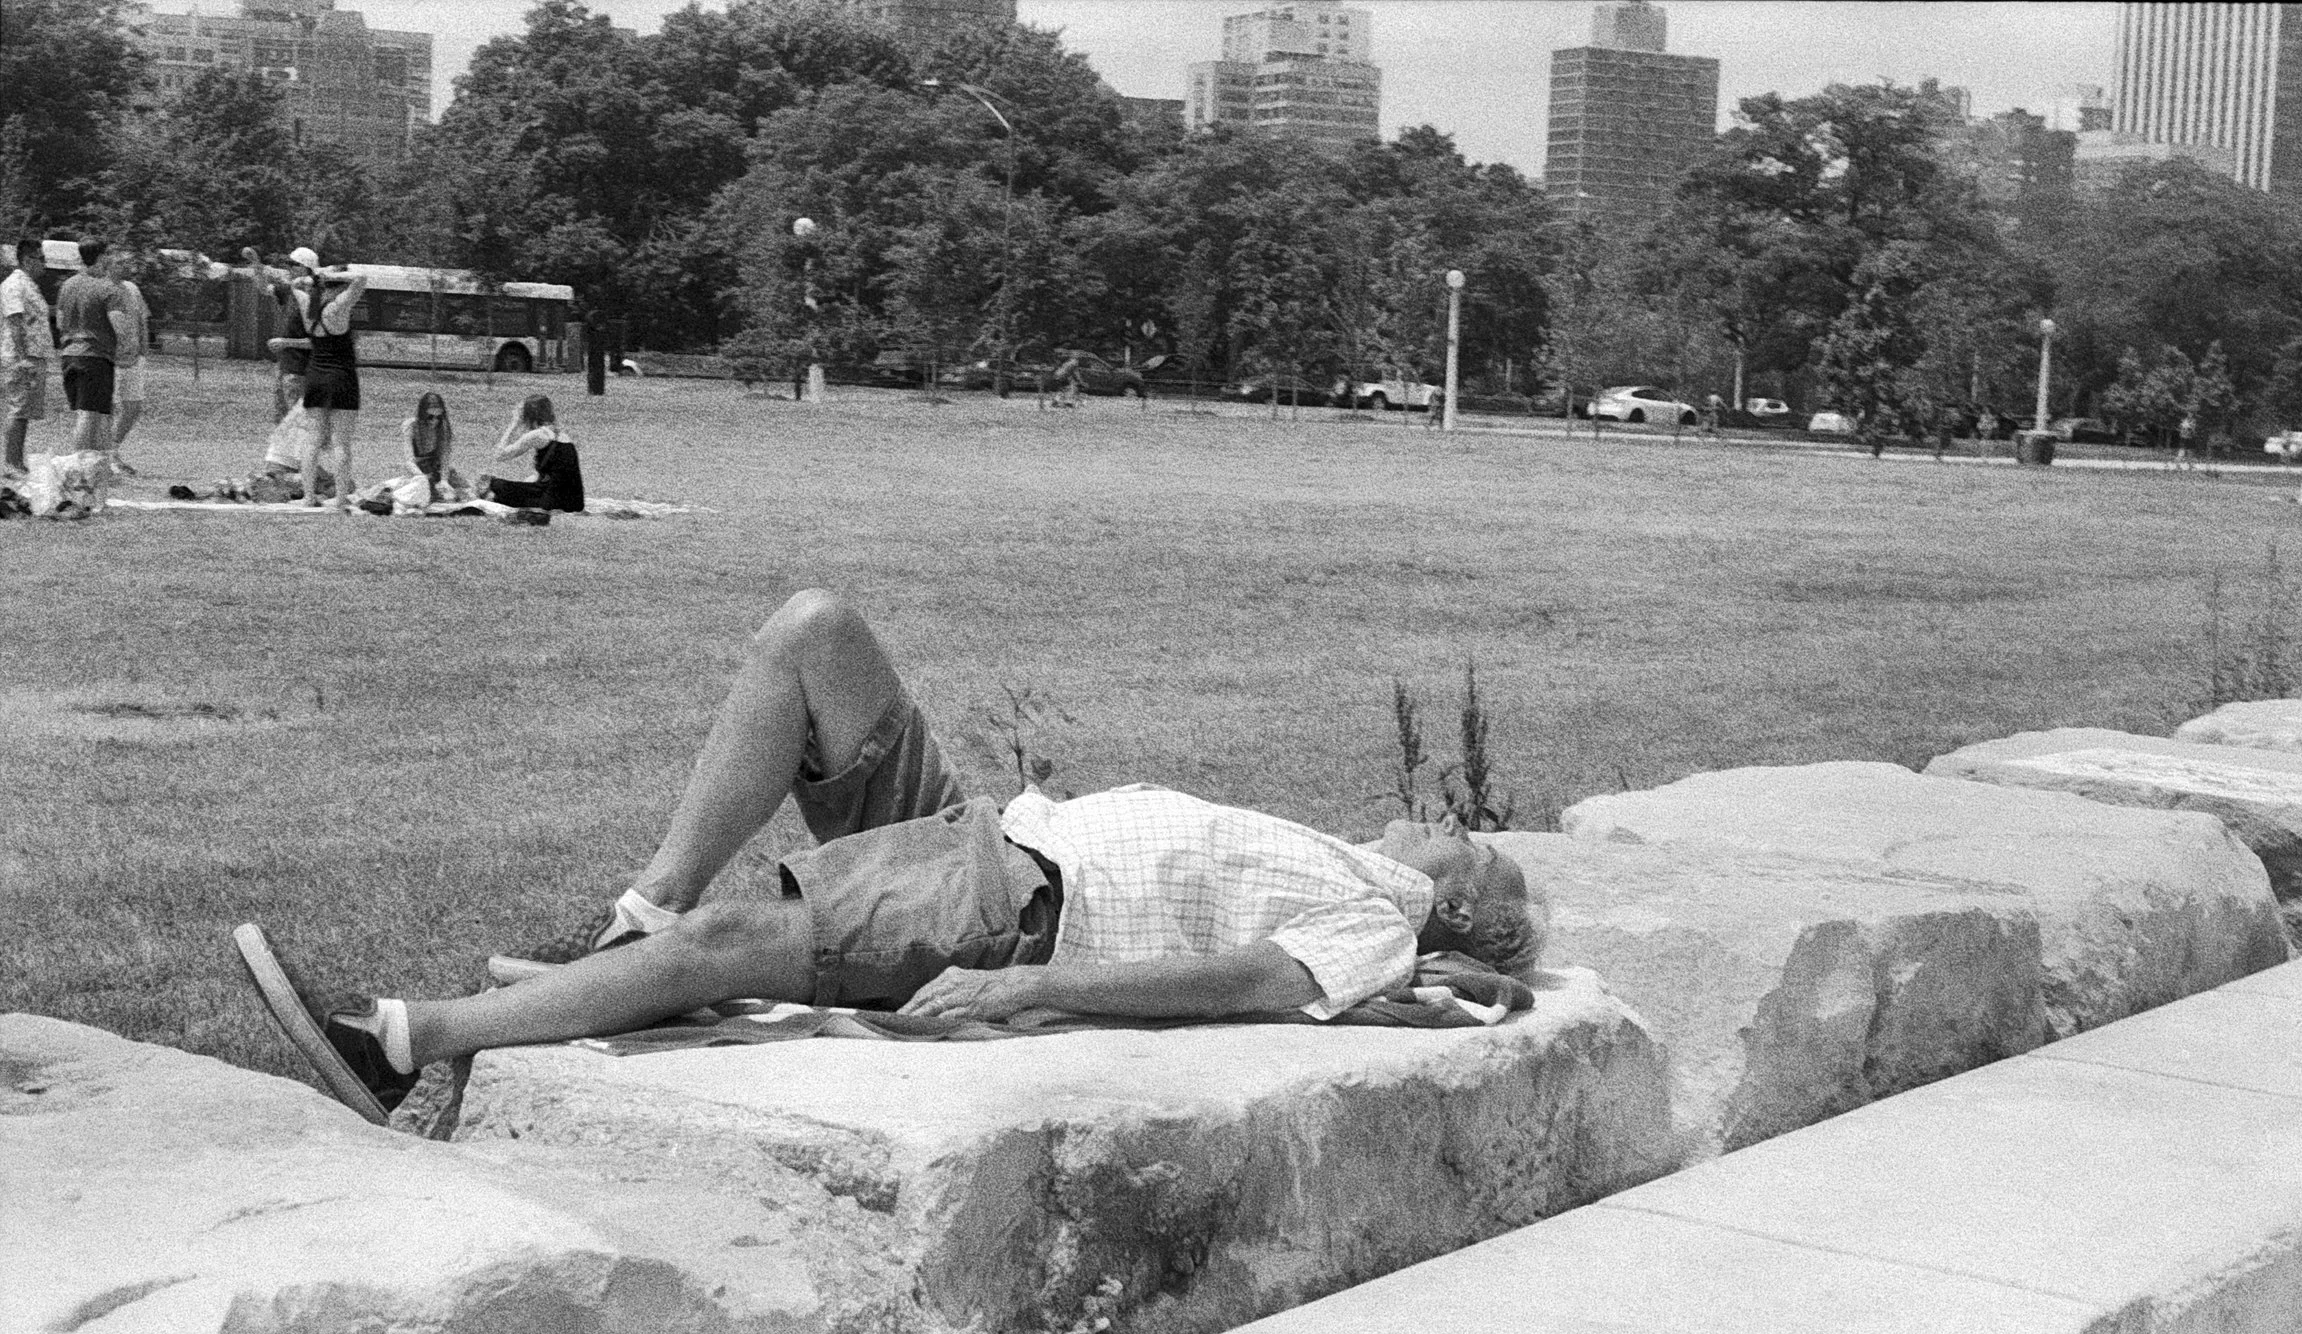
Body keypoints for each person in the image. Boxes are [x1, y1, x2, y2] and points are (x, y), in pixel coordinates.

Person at [232, 592, 1547, 1120]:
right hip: (992, 837)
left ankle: (406, 1044)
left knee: (739, 950)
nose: (1440, 816)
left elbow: (1252, 986)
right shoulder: (1359, 870)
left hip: (1012, 907)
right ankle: (650, 910)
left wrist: (1028, 987)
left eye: (1463, 840)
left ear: (1463, 896)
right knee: (815, 633)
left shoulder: (1381, 917)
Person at [294, 261, 366, 510]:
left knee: (312, 441)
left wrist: (312, 280)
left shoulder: (308, 305)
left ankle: (308, 496)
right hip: (341, 378)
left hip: (315, 375)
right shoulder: (338, 307)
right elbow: (362, 279)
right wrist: (335, 275)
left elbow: (294, 284)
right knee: (341, 442)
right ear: (340, 284)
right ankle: (341, 497)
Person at [54, 241, 134, 459]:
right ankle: (79, 468)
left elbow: (60, 322)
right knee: (90, 415)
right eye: (108, 255)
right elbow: (119, 325)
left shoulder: (68, 285)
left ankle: (96, 467)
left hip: (69, 355)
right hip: (95, 357)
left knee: (96, 414)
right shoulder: (107, 288)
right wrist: (127, 349)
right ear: (100, 258)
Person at [240, 246, 315, 419]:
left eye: (293, 264)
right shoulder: (289, 292)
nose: (289, 268)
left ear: (307, 269)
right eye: (288, 263)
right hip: (286, 365)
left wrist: (285, 342)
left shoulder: (315, 298)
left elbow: (318, 341)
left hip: (303, 368)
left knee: (298, 419)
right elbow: (263, 288)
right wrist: (256, 263)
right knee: (281, 417)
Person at [480, 393, 584, 512]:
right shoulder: (562, 436)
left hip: (552, 501)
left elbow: (499, 455)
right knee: (513, 487)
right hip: (574, 501)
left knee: (493, 484)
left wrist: (513, 424)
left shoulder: (538, 435)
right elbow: (548, 476)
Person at [2, 238, 52, 483]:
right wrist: (23, 359)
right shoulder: (14, 285)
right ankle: (11, 464)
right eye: (42, 259)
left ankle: (17, 461)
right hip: (21, 358)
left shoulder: (30, 285)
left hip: (34, 356)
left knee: (24, 411)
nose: (45, 264)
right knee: (18, 409)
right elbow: (15, 323)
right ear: (28, 260)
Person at [108, 250, 152, 478]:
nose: (125, 266)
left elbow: (143, 319)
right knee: (109, 409)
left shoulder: (132, 289)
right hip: (110, 359)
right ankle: (105, 457)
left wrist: (144, 350)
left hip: (134, 359)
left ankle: (113, 450)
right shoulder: (103, 288)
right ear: (109, 263)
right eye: (120, 262)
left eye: (128, 262)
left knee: (133, 407)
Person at [399, 390, 468, 501]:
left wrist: (444, 480)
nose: (434, 421)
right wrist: (422, 478)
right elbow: (409, 460)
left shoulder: (442, 427)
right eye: (430, 417)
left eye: (438, 417)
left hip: (436, 468)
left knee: (463, 491)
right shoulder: (411, 426)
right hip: (417, 470)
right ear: (423, 414)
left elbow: (444, 458)